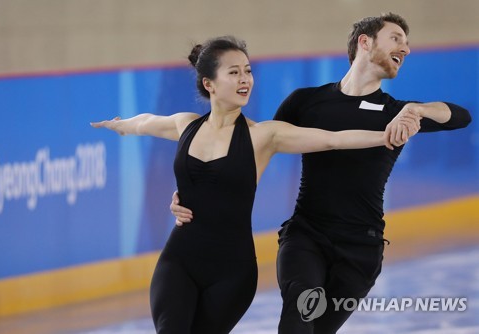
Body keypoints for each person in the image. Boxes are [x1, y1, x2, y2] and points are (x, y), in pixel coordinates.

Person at [91, 35, 419, 333]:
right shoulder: (185, 125)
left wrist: (387, 134)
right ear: (210, 83)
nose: (245, 79)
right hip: (179, 260)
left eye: (247, 71)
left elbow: (333, 140)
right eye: (234, 73)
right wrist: (118, 125)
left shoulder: (264, 136)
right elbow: (145, 122)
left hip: (232, 272)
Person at [170, 14, 472, 333]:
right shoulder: (305, 101)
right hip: (306, 237)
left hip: (361, 250)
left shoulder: (398, 113)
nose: (406, 49)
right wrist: (199, 192)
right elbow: (251, 151)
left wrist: (419, 110)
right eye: (397, 38)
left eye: (407, 42)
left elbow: (460, 116)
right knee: (298, 321)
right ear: (365, 42)